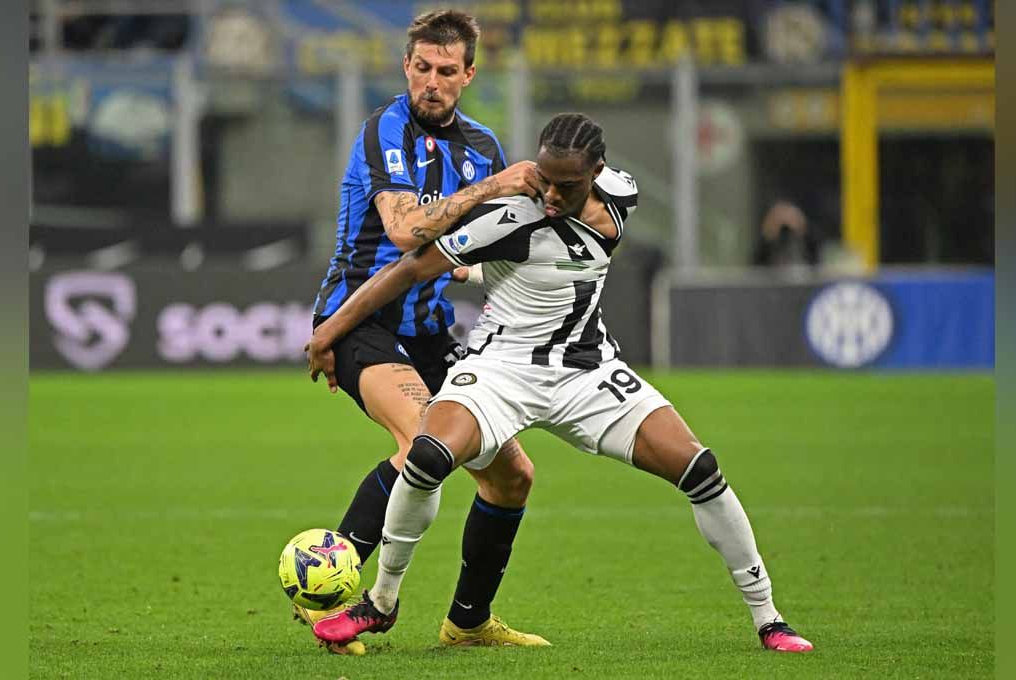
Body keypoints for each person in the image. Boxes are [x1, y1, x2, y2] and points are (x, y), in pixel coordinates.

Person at [305, 113, 814, 653]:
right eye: (544, 179)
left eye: (566, 186)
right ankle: (381, 604)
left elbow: (559, 263)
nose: (549, 194)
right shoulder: (508, 217)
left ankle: (769, 618)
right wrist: (328, 332)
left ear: (598, 173)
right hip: (501, 369)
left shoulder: (622, 197)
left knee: (700, 468)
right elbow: (408, 269)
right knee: (428, 455)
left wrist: (478, 271)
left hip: (587, 372)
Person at [300, 9, 547, 654]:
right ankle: (337, 602)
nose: (430, 82)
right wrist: (494, 187)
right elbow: (407, 230)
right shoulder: (387, 128)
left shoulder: (483, 145)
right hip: (360, 319)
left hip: (432, 332)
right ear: (406, 67)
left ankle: (466, 623)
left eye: (445, 70)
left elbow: (491, 248)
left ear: (469, 74)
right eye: (421, 68)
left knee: (511, 475)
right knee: (422, 446)